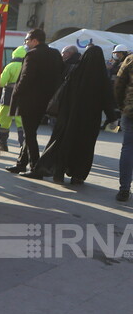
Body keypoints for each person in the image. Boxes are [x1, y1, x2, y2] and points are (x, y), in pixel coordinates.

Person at [34, 46, 118, 184]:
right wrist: (112, 119)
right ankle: (78, 176)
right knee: (85, 148)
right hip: (90, 121)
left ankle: (58, 173)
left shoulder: (75, 73)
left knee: (65, 144)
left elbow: (63, 95)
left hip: (69, 118)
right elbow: (108, 101)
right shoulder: (102, 78)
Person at [8, 29, 64, 176]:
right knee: (29, 133)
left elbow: (25, 78)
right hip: (47, 101)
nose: (26, 43)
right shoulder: (55, 54)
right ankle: (21, 164)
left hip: (30, 101)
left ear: (34, 40)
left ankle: (35, 168)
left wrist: (16, 93)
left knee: (30, 134)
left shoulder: (32, 55)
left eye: (27, 40)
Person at [0, 46, 27, 152]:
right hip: (22, 96)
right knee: (20, 121)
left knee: (4, 120)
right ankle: (23, 145)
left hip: (8, 95)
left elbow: (1, 82)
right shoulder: (27, 65)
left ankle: (3, 144)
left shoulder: (10, 66)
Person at [115, 52, 133, 202]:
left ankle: (124, 189)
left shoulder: (130, 59)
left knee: (128, 149)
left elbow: (119, 84)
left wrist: (122, 106)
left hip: (131, 111)